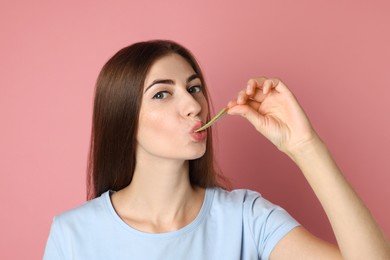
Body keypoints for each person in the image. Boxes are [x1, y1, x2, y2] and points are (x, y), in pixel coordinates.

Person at [43, 40, 390, 259]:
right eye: (162, 94)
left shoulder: (248, 218)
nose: (193, 106)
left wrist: (305, 146)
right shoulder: (73, 234)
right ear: (123, 118)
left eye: (193, 88)